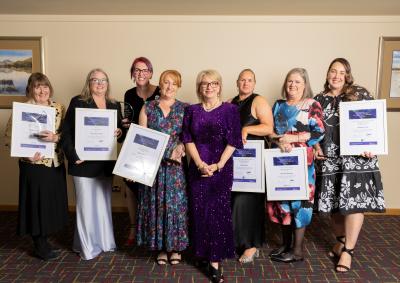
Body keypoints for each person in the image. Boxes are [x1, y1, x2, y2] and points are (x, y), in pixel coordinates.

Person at [314, 58, 385, 272]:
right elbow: (313, 129)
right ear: (327, 74)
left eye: (341, 72)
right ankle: (341, 241)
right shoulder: (318, 100)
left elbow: (373, 123)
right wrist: (316, 146)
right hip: (330, 160)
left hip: (357, 159)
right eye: (333, 71)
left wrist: (373, 144)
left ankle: (348, 252)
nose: (336, 76)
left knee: (354, 204)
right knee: (335, 205)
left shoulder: (359, 94)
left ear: (347, 75)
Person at [182, 70, 242, 283]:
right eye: (205, 83)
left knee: (217, 213)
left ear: (219, 86)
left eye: (213, 83)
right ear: (199, 87)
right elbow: (187, 138)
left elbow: (234, 140)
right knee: (200, 212)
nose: (209, 87)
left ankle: (215, 261)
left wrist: (219, 165)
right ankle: (202, 254)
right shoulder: (192, 110)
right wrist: (199, 164)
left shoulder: (230, 110)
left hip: (221, 168)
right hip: (197, 168)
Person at [4, 72, 68, 260]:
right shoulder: (22, 110)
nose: (42, 90)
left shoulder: (59, 108)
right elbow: (8, 137)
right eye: (37, 86)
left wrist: (56, 137)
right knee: (36, 204)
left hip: (55, 162)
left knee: (49, 203)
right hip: (33, 164)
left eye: (45, 86)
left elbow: (67, 135)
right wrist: (26, 155)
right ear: (30, 90)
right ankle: (39, 245)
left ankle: (45, 240)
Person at [61, 68, 122, 260]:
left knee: (103, 205)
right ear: (89, 82)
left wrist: (120, 132)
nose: (100, 83)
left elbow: (119, 132)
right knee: (85, 206)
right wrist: (73, 155)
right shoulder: (78, 101)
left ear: (108, 83)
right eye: (95, 80)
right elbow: (66, 132)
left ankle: (105, 242)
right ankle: (87, 247)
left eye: (103, 80)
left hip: (104, 163)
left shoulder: (114, 105)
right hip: (83, 162)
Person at [267, 68, 324, 263]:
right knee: (282, 203)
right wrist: (278, 141)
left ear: (305, 85)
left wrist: (295, 137)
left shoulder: (312, 105)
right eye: (290, 81)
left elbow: (319, 132)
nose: (293, 85)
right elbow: (270, 132)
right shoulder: (278, 105)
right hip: (280, 159)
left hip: (302, 161)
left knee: (300, 204)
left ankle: (297, 250)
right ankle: (285, 245)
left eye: (298, 82)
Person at [136, 70, 189, 265]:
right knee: (156, 205)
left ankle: (174, 248)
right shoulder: (147, 108)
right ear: (160, 84)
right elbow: (141, 139)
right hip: (153, 166)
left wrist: (182, 146)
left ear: (178, 86)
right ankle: (160, 247)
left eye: (173, 83)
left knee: (175, 206)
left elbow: (188, 137)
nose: (169, 87)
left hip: (175, 168)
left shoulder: (185, 108)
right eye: (166, 83)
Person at [229, 69, 273, 263]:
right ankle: (237, 242)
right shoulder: (231, 103)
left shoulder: (258, 101)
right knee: (234, 201)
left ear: (254, 83)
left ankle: (251, 245)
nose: (246, 83)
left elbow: (268, 128)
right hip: (235, 159)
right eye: (242, 80)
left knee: (249, 202)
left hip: (253, 162)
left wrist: (246, 128)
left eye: (250, 80)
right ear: (237, 82)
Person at [122, 57, 160, 246]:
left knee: (153, 187)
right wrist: (124, 124)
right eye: (137, 70)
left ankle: (151, 228)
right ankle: (133, 226)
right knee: (130, 185)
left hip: (156, 146)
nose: (141, 74)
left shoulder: (160, 91)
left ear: (151, 73)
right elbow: (128, 119)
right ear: (132, 73)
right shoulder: (128, 94)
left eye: (145, 70)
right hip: (135, 145)